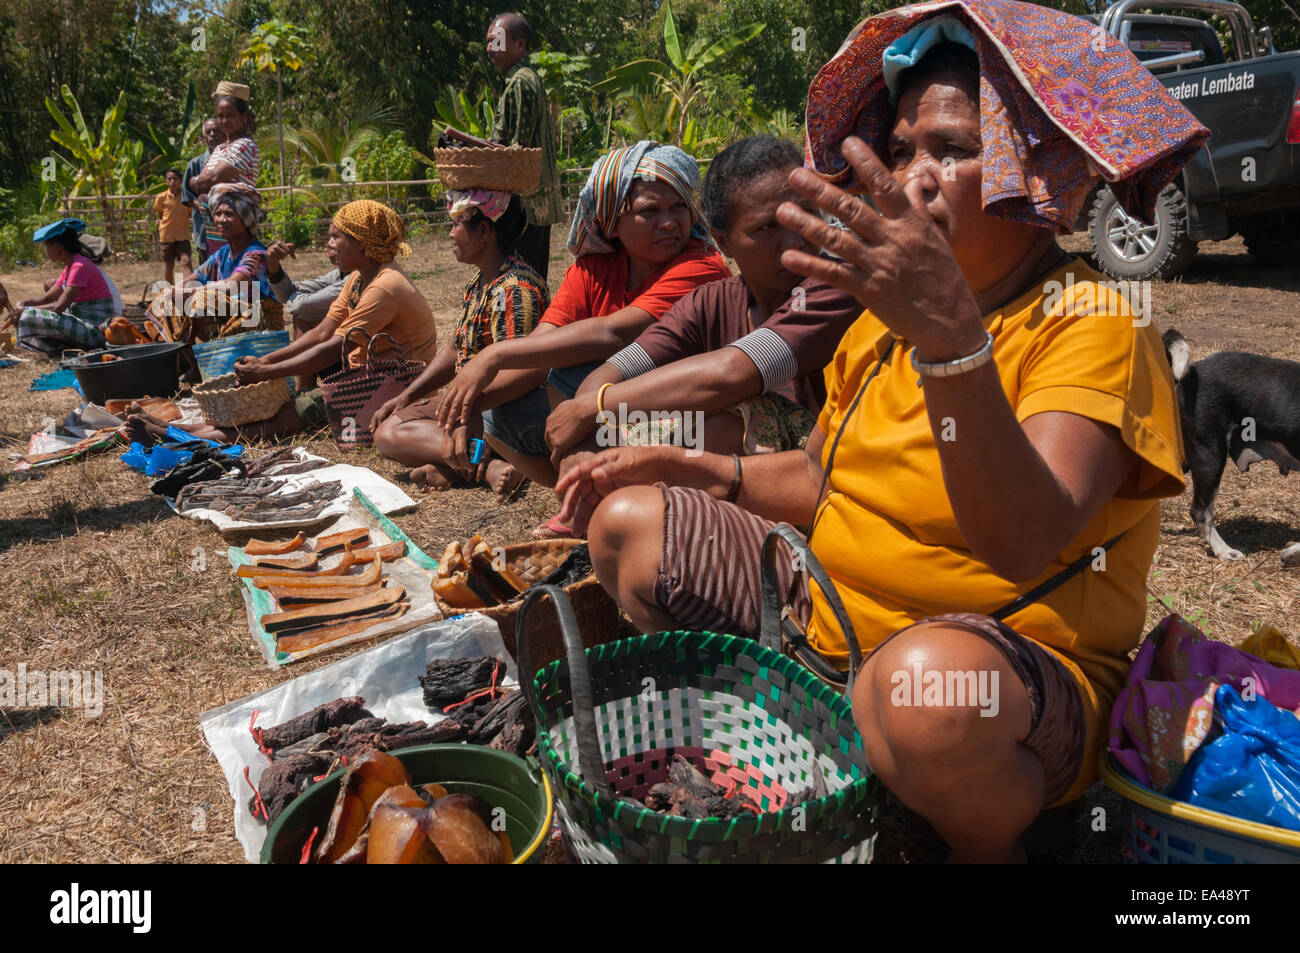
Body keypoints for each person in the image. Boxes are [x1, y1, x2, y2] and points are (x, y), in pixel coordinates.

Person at [558, 1, 1209, 863]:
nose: (913, 178)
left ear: (1040, 173)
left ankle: (984, 840)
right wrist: (688, 466)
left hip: (994, 683)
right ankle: (807, 745)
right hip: (825, 626)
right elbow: (822, 478)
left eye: (953, 149)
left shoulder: (1087, 318)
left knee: (924, 694)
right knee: (630, 526)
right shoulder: (882, 319)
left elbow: (1026, 537)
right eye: (901, 151)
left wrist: (950, 342)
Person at [434, 141, 731, 527]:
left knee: (573, 378)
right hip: (614, 419)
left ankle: (606, 501)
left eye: (679, 207)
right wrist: (471, 405)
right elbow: (540, 350)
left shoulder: (701, 266)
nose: (670, 222)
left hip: (685, 418)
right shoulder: (593, 269)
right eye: (649, 211)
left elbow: (612, 334)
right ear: (613, 221)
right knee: (498, 415)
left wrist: (492, 357)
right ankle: (587, 492)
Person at [545, 136, 860, 488]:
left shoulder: (836, 285)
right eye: (767, 228)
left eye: (806, 214)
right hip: (751, 483)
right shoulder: (709, 303)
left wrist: (593, 409)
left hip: (827, 479)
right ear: (722, 241)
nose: (796, 239)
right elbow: (614, 370)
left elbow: (731, 373)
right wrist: (583, 441)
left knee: (722, 420)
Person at [370, 189, 546, 500]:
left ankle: (485, 463)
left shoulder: (515, 290)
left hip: (502, 407)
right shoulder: (481, 283)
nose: (450, 234)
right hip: (474, 403)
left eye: (457, 225)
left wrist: (468, 412)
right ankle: (469, 462)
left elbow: (525, 373)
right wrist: (408, 394)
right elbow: (456, 347)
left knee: (398, 435)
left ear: (483, 231)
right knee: (388, 430)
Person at [486, 12, 565, 280]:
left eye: (496, 41)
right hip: (533, 204)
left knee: (523, 284)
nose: (490, 49)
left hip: (525, 208)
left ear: (520, 45)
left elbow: (517, 154)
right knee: (529, 281)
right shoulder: (524, 79)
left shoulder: (521, 81)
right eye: (488, 42)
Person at [147, 182, 279, 341]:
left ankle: (214, 353)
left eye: (229, 214)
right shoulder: (222, 254)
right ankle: (184, 356)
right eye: (218, 213)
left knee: (204, 299)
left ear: (245, 219)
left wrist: (193, 291)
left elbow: (232, 285)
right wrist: (174, 291)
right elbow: (193, 278)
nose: (221, 220)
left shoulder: (256, 254)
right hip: (233, 316)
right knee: (165, 296)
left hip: (261, 323)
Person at [7, 219, 116, 355]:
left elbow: (59, 306)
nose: (46, 250)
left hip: (97, 330)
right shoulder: (70, 267)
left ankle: (84, 346)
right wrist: (23, 304)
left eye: (47, 245)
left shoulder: (80, 266)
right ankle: (67, 345)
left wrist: (26, 310)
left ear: (58, 246)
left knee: (28, 316)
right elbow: (46, 299)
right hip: (84, 324)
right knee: (27, 314)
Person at [190, 82, 259, 259]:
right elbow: (203, 182)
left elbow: (211, 179)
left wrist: (198, 181)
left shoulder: (244, 145)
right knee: (221, 268)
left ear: (244, 117)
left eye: (230, 115)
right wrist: (200, 182)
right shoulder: (220, 149)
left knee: (237, 269)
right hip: (215, 224)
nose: (224, 121)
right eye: (220, 116)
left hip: (233, 223)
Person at [264, 241, 346, 336]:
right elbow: (286, 293)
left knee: (249, 323)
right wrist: (272, 263)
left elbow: (247, 281)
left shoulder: (252, 252)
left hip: (254, 295)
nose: (328, 243)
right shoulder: (340, 274)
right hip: (251, 295)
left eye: (336, 236)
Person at [182, 118, 225, 263]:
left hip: (229, 224)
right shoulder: (195, 164)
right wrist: (201, 205)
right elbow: (187, 196)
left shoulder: (231, 161)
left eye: (216, 131)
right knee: (208, 269)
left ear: (225, 133)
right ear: (204, 137)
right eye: (209, 132)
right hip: (204, 228)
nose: (213, 134)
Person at [154, 169, 193, 282]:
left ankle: (188, 291)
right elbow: (160, 212)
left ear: (181, 181)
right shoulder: (161, 197)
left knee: (186, 262)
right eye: (169, 179)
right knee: (169, 266)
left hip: (182, 235)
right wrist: (160, 222)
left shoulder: (186, 197)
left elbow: (190, 213)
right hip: (167, 235)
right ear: (166, 181)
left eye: (175, 179)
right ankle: (171, 292)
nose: (172, 181)